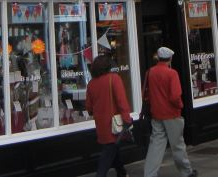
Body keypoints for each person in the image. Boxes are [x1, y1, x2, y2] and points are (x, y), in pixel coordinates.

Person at [143, 47, 198, 177]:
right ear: (170, 58)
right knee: (177, 145)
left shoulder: (150, 72)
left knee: (156, 145)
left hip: (156, 113)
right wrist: (180, 106)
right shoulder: (172, 73)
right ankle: (187, 172)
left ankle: (149, 174)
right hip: (172, 114)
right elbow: (175, 96)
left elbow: (145, 93)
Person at [85, 55, 132, 177]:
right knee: (108, 153)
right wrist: (127, 119)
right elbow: (121, 101)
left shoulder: (91, 84)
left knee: (113, 149)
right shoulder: (114, 78)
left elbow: (89, 108)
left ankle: (122, 173)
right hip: (114, 123)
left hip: (101, 124)